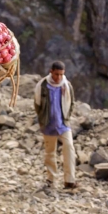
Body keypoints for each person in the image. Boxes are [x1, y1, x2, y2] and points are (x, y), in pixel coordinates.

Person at [34, 61, 77, 190]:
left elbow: (72, 103)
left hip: (63, 123)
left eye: (61, 74)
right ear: (51, 71)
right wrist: (42, 119)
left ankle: (69, 180)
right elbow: (37, 104)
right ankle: (51, 179)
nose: (58, 77)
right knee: (50, 152)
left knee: (69, 147)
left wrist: (67, 117)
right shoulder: (42, 85)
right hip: (48, 123)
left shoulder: (67, 85)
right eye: (56, 74)